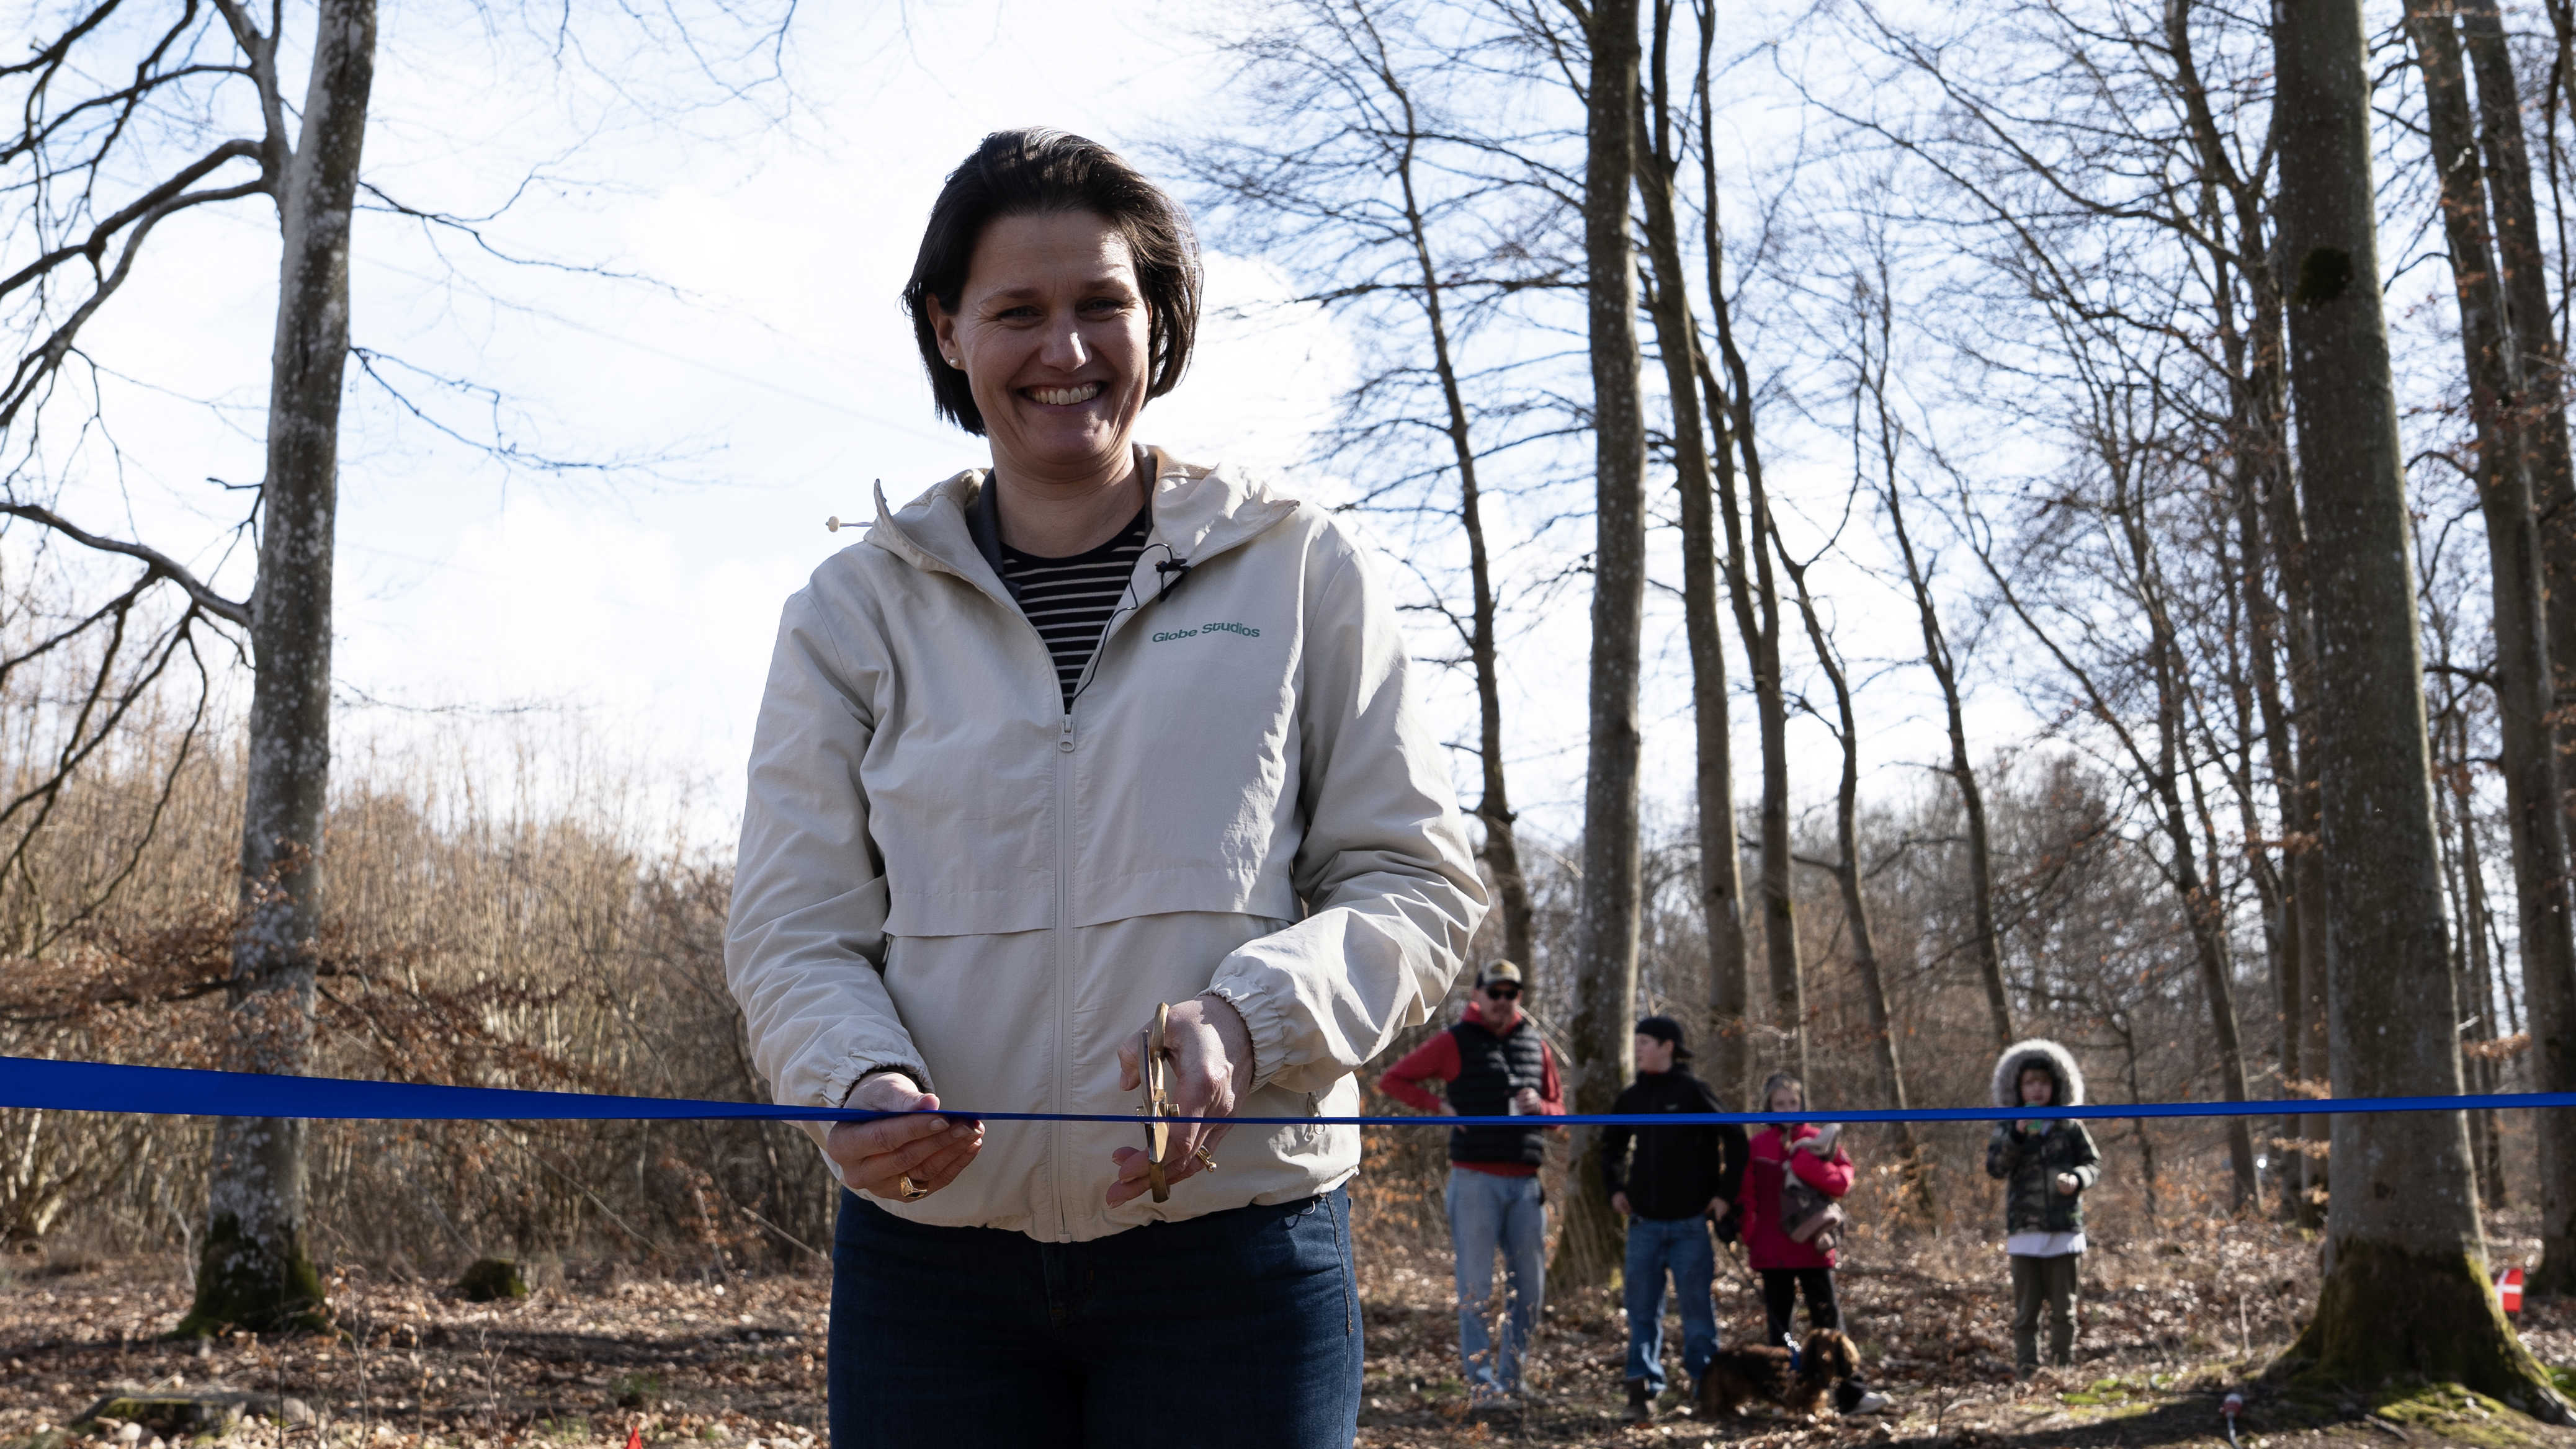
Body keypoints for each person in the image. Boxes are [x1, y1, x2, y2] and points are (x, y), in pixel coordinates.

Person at [724, 128, 1488, 1449]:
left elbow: (1415, 883)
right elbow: (794, 926)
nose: (1064, 351)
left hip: (1237, 1267)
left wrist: (1254, 1021)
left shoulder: (1302, 570)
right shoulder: (851, 611)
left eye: (1103, 306)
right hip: (932, 1279)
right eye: (1017, 310)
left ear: (1160, 322)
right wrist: (852, 1077)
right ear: (947, 329)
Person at [1377, 961, 1564, 1407]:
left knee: (1530, 1291)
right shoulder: (1454, 1041)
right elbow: (1393, 1079)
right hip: (1475, 1181)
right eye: (1495, 992)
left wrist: (1543, 1106)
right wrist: (1439, 1106)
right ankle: (1481, 1387)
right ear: (1478, 995)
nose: (1503, 1001)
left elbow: (1560, 1116)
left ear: (1519, 997)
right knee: (1476, 1289)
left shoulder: (1537, 1046)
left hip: (1526, 1185)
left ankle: (1512, 1382)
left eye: (1511, 993)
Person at [1601, 1015, 1747, 1422]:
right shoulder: (1631, 1098)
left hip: (1690, 1228)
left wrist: (1723, 1196)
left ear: (1668, 1046)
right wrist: (1614, 1189)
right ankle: (1642, 1391)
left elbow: (1736, 1139)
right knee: (1642, 1312)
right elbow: (1609, 1147)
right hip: (1643, 1226)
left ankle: (1708, 1390)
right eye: (1637, 1041)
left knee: (1698, 1313)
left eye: (1645, 1041)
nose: (1639, 1048)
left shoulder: (1695, 1092)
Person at [1737, 1072, 1889, 1415]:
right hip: (1772, 1250)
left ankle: (1852, 1394)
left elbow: (1842, 1181)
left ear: (1802, 1104)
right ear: (1768, 1108)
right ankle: (1783, 1397)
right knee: (1780, 1328)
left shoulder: (1820, 1141)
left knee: (1830, 1324)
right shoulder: (1758, 1146)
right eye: (1780, 1104)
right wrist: (1749, 1235)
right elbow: (1747, 1196)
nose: (1787, 1109)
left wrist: (1805, 1162)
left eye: (1793, 1102)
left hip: (1814, 1249)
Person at [1986, 1039, 2101, 1377]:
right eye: (2029, 1083)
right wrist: (2018, 1138)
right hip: (2025, 1231)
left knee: (2064, 1309)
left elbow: (2093, 1163)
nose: (2037, 1090)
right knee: (2026, 1311)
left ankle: (2062, 1371)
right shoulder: (2008, 1125)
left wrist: (2078, 1179)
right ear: (2018, 1087)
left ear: (2057, 1085)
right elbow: (1995, 1168)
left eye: (2044, 1082)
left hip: (2064, 1229)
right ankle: (2028, 1373)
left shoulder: (2070, 1125)